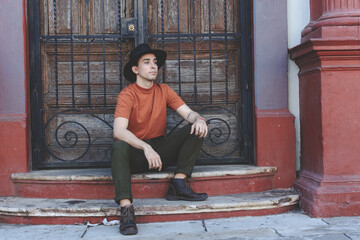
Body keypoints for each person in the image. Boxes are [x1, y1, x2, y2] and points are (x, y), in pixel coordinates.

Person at [111, 43, 209, 235]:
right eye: (146, 62)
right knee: (119, 147)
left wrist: (200, 119)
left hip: (161, 152)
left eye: (155, 62)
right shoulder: (127, 94)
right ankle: (126, 209)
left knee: (196, 128)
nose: (153, 66)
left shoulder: (164, 90)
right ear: (135, 69)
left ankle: (178, 184)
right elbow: (119, 131)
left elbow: (189, 114)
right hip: (137, 154)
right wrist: (145, 148)